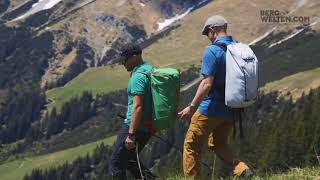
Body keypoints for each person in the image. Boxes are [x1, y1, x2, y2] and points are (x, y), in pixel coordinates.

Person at [178, 15, 253, 179]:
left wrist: (191, 107)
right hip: (233, 109)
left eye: (206, 33)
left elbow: (206, 84)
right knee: (218, 143)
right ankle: (242, 170)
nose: (207, 37)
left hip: (210, 109)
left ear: (212, 30)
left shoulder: (212, 50)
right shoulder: (238, 49)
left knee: (191, 145)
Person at [109, 43, 157, 180]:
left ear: (136, 56)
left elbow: (137, 107)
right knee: (130, 161)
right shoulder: (150, 70)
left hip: (135, 127)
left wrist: (131, 134)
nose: (122, 63)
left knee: (116, 165)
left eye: (125, 59)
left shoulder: (138, 77)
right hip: (147, 126)